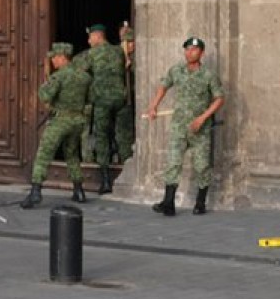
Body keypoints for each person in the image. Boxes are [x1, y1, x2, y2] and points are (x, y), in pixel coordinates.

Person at [144, 37, 225, 216]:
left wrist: (203, 118)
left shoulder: (208, 75)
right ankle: (168, 203)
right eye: (187, 49)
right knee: (173, 163)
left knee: (202, 166)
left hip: (200, 129)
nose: (190, 53)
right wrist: (153, 106)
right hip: (179, 127)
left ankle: (200, 202)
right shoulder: (176, 70)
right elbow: (163, 87)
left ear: (201, 53)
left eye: (194, 50)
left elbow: (219, 99)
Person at [20, 42, 92, 209]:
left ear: (62, 57)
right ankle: (79, 190)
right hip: (78, 121)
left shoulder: (59, 77)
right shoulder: (85, 77)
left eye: (54, 58)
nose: (52, 61)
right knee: (72, 154)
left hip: (61, 121)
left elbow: (45, 96)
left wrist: (45, 82)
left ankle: (36, 191)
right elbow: (90, 100)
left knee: (44, 154)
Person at [83, 24, 126, 194]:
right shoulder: (118, 51)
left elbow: (81, 73)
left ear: (97, 36)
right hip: (120, 100)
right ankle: (123, 165)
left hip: (102, 101)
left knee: (101, 136)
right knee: (120, 133)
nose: (88, 41)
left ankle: (106, 180)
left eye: (90, 37)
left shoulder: (92, 54)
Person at [114, 24, 135, 163]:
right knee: (122, 134)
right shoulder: (116, 56)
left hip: (135, 101)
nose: (128, 45)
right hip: (122, 101)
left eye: (130, 42)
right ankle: (123, 159)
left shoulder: (138, 58)